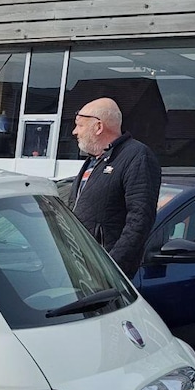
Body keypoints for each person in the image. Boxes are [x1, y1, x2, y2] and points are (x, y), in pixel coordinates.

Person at [69, 98, 161, 277]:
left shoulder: (137, 156)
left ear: (98, 127)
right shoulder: (94, 160)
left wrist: (112, 267)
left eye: (79, 125)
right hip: (80, 265)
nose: (74, 132)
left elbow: (140, 219)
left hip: (104, 273)